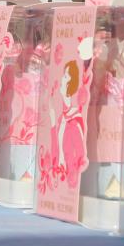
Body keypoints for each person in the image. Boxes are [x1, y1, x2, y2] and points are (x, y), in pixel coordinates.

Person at [49, 60, 87, 188]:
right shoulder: (62, 118)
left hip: (68, 181)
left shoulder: (74, 121)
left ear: (70, 83)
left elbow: (81, 156)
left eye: (65, 76)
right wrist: (53, 121)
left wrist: (71, 173)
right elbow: (55, 150)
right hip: (57, 180)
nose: (61, 79)